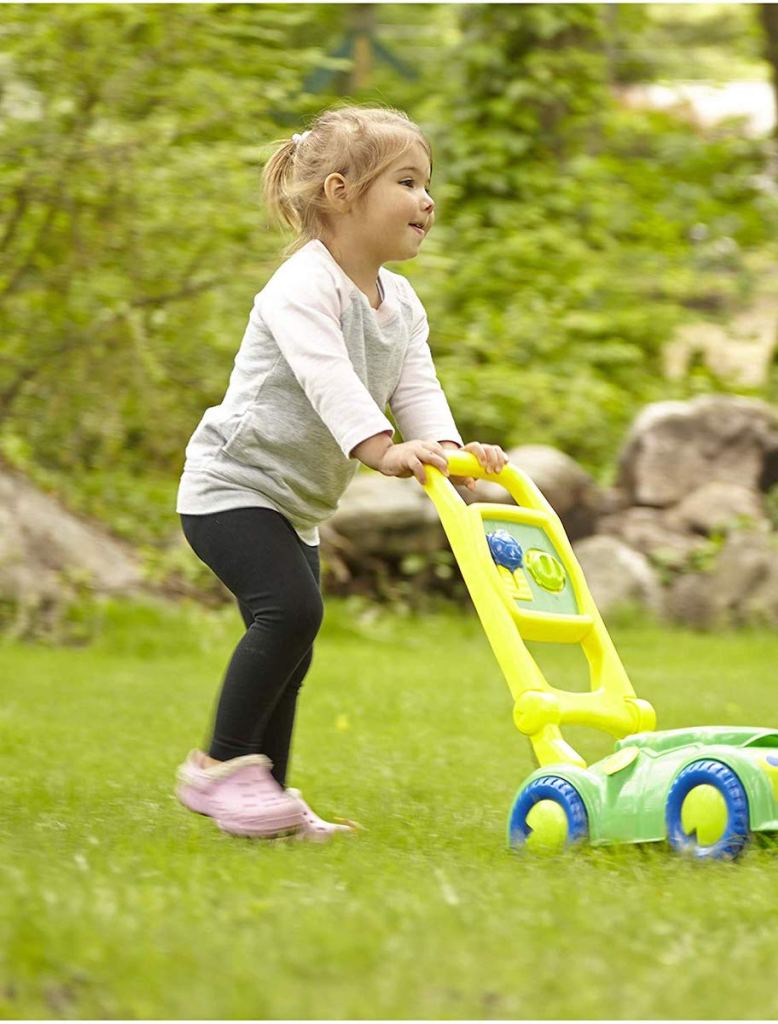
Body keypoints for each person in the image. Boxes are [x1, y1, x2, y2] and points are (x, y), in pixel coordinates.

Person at [174, 104, 508, 841]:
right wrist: (381, 449)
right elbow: (329, 380)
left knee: (292, 648)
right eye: (409, 182)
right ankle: (219, 770)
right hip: (232, 487)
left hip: (294, 503)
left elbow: (415, 383)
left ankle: (268, 804)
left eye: (429, 184)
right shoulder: (303, 286)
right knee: (291, 614)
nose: (428, 200)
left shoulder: (400, 301)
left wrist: (448, 455)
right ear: (339, 192)